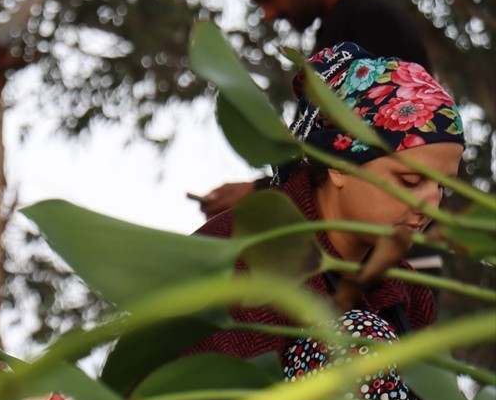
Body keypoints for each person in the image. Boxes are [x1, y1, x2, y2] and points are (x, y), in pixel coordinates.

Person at [187, 42, 465, 364]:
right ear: (339, 164)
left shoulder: (409, 294)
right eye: (410, 182)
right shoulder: (246, 257)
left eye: (444, 187)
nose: (431, 205)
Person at [195, 0, 434, 219]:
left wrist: (260, 194)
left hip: (390, 245)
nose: (268, 14)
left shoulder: (371, 24)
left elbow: (359, 154)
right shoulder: (340, 33)